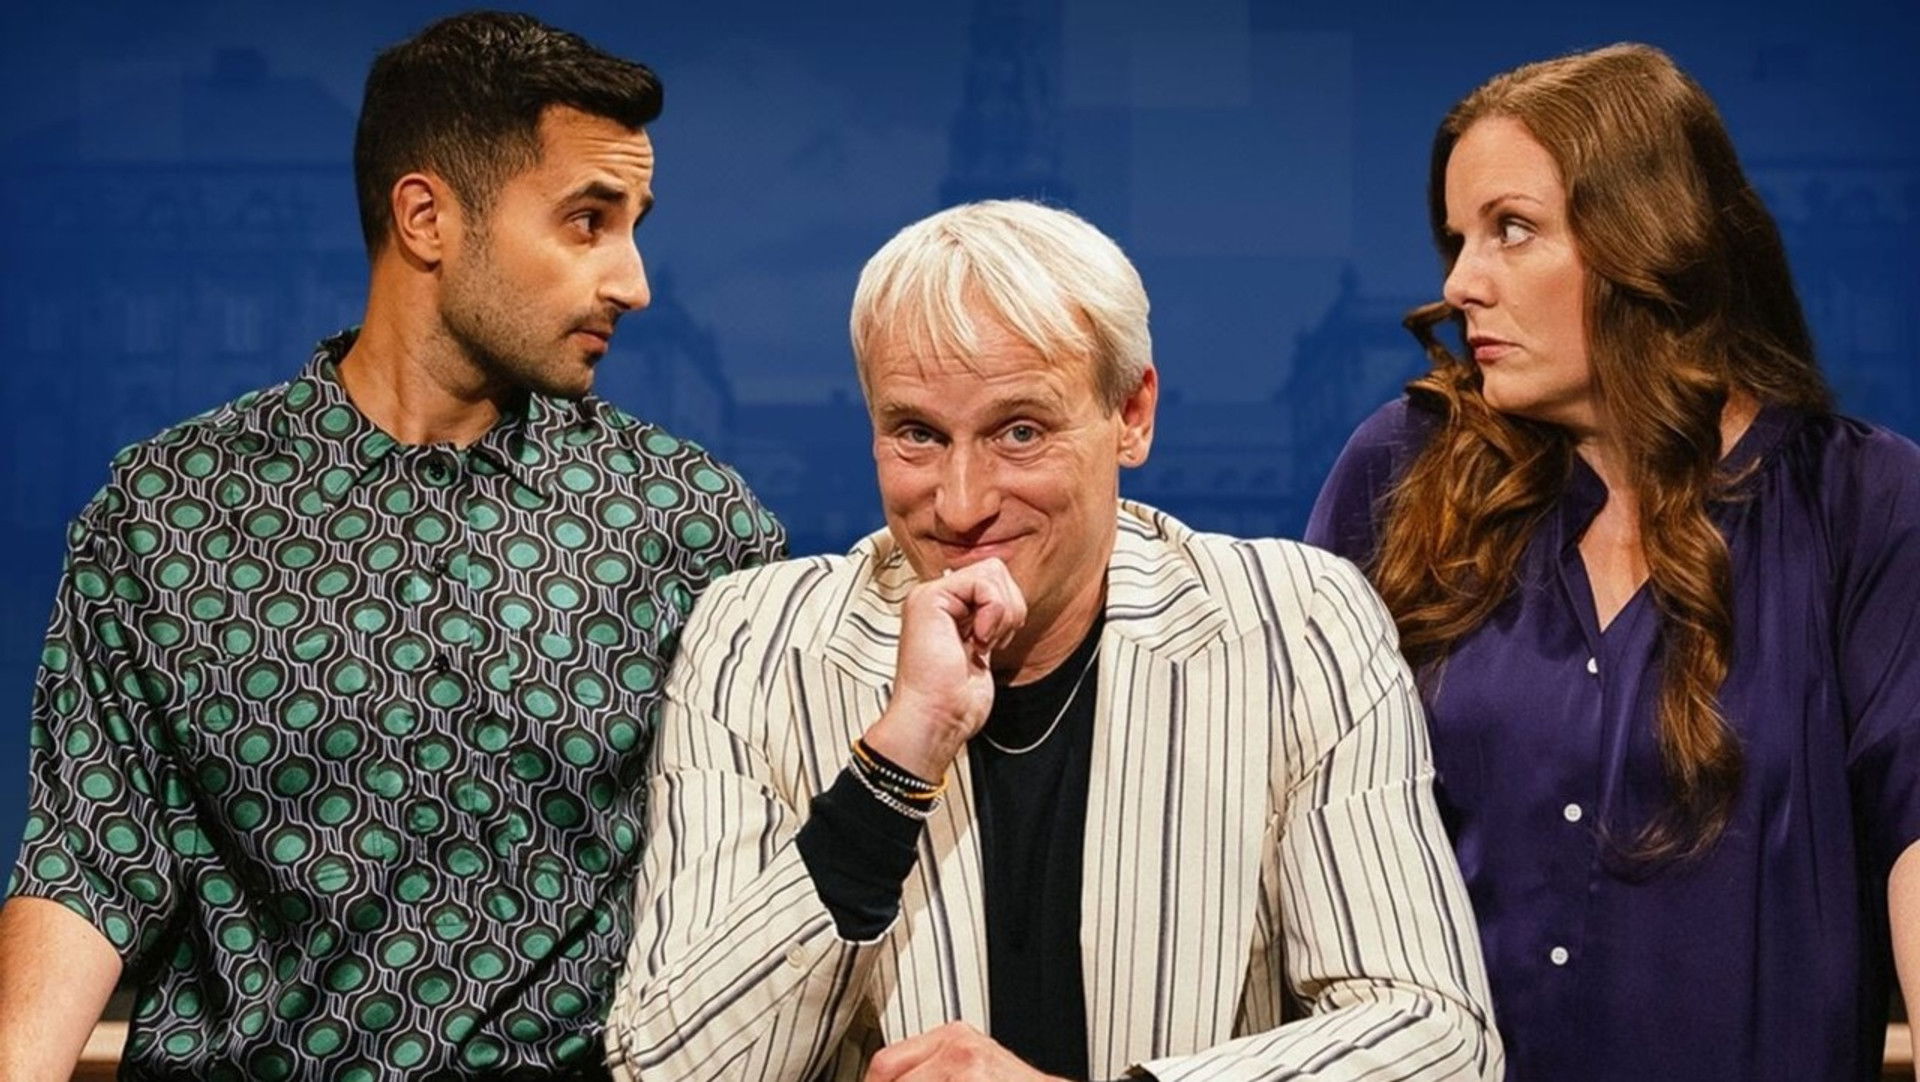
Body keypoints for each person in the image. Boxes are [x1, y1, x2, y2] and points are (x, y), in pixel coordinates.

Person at [0, 12, 783, 1080]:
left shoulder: (692, 524)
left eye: (633, 225)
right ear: (426, 218)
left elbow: (756, 892)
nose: (633, 282)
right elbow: (90, 862)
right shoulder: (166, 511)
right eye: (588, 222)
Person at [602, 199, 1500, 1082]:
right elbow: (668, 1071)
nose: (961, 504)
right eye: (917, 435)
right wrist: (897, 762)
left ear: (1132, 415)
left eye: (1019, 433)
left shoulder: (1293, 625)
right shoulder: (756, 644)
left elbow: (1433, 1038)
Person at [1305, 42, 1920, 1082]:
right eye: (1458, 239)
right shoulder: (1402, 471)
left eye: (1511, 229)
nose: (1460, 283)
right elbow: (1291, 822)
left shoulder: (1863, 502)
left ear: (1649, 236)